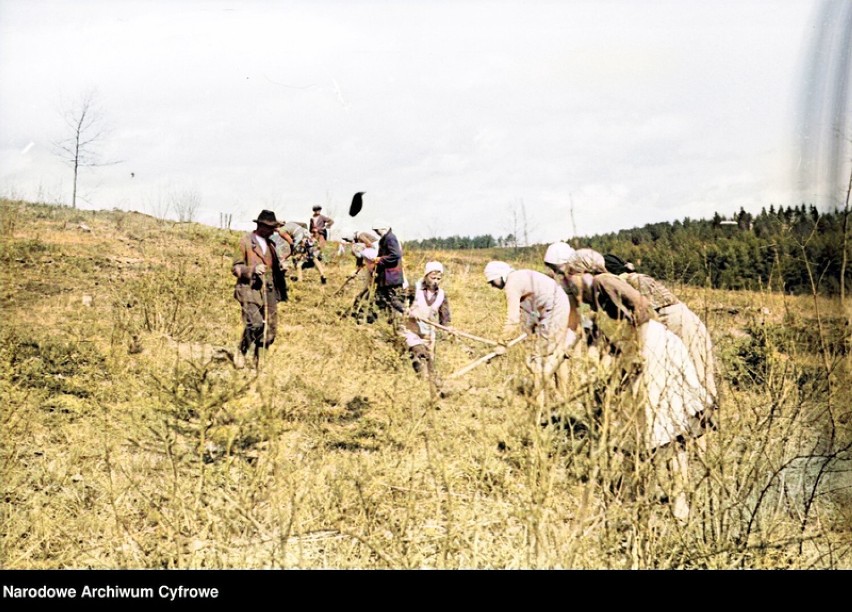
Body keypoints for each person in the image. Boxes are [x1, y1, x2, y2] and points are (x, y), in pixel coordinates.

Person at [560, 265, 711, 522]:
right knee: (634, 430)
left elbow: (642, 308)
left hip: (655, 353)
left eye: (569, 279)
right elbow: (602, 347)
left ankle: (680, 503)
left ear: (580, 272)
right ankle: (632, 495)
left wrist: (640, 352)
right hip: (636, 359)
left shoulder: (603, 281)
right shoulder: (594, 310)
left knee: (666, 429)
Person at [603, 254, 718, 419]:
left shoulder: (635, 281)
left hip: (677, 323)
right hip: (672, 323)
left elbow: (646, 313)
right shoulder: (630, 282)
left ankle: (703, 421)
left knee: (695, 374)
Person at [484, 261, 578, 392]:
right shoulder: (519, 277)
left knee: (540, 355)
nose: (493, 285)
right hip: (559, 306)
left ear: (499, 275)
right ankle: (562, 395)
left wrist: (502, 342)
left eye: (492, 281)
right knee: (558, 352)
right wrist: (531, 328)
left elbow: (513, 318)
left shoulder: (512, 284)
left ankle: (538, 399)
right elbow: (528, 311)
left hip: (554, 310)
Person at [231, 209, 289, 368]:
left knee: (270, 327)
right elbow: (236, 268)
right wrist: (252, 270)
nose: (273, 231)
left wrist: (281, 267)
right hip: (249, 288)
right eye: (271, 227)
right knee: (255, 323)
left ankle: (259, 361)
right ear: (261, 226)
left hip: (269, 290)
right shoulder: (246, 241)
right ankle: (241, 351)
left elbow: (275, 266)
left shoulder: (272, 244)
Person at [403, 261, 451, 389]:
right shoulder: (414, 287)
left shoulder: (441, 294)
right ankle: (421, 383)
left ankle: (433, 387)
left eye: (438, 278)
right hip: (410, 328)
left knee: (430, 360)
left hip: (428, 332)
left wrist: (447, 327)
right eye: (432, 277)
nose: (435, 281)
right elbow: (401, 304)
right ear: (426, 275)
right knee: (419, 352)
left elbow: (444, 315)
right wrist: (408, 312)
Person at [372, 219, 406, 319]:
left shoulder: (391, 238)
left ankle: (403, 318)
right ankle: (385, 320)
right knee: (381, 299)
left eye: (377, 230)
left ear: (384, 228)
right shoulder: (385, 239)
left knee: (394, 301)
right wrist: (376, 271)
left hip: (392, 277)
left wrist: (381, 259)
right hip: (385, 277)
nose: (376, 233)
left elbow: (395, 255)